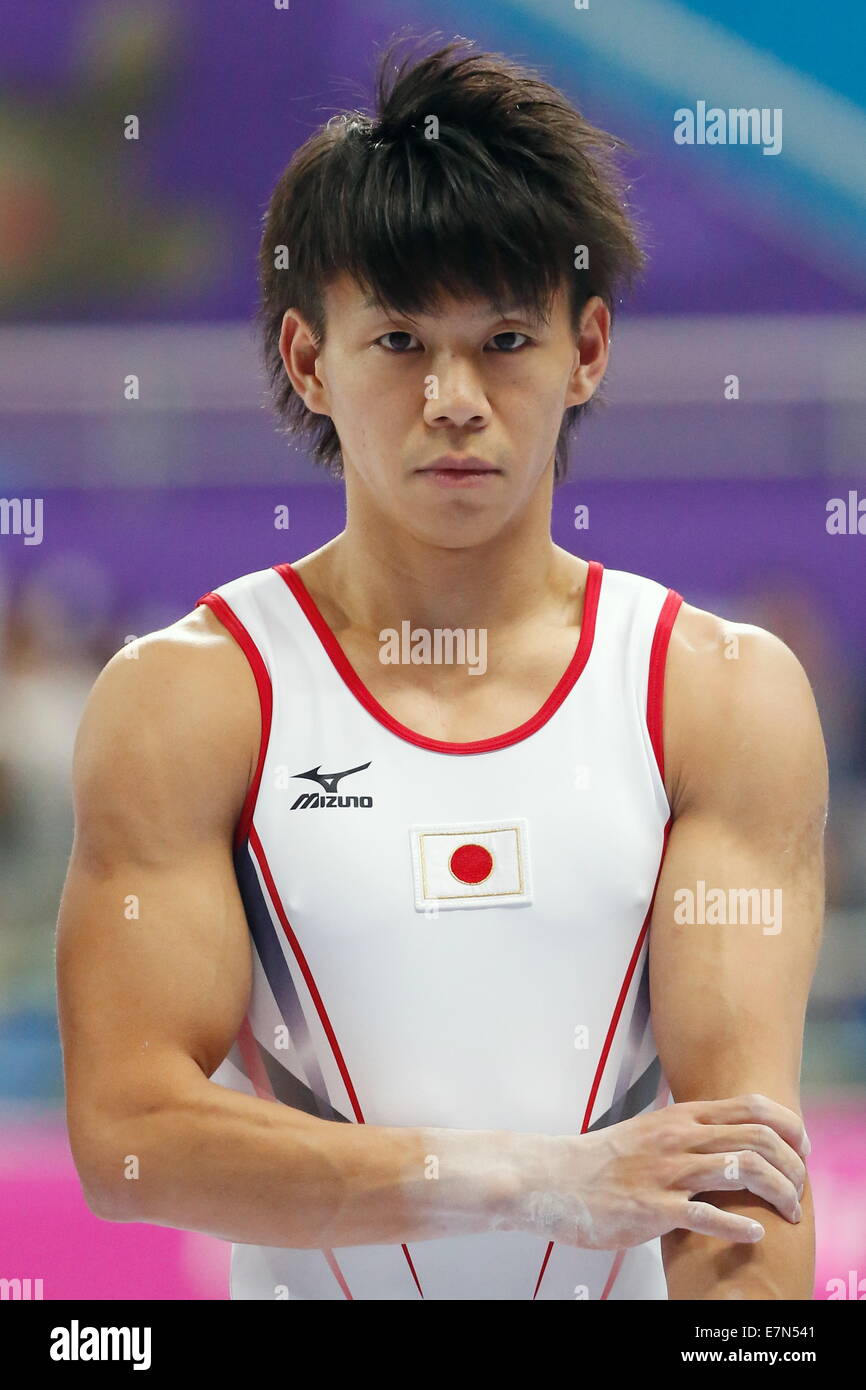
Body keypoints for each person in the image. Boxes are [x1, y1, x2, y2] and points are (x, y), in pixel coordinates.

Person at [57, 35, 825, 1300]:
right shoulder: (191, 698)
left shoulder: (713, 694)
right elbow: (130, 1140)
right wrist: (531, 1177)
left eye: (505, 341)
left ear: (586, 352)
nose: (454, 398)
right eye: (402, 342)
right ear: (311, 362)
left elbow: (738, 1171)